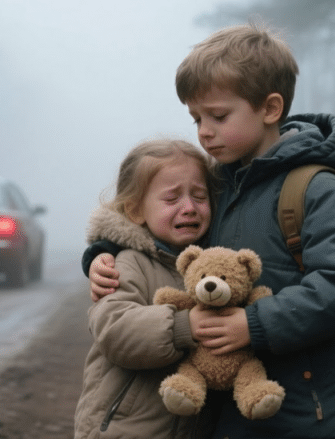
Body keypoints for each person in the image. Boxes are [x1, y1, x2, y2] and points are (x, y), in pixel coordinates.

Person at [85, 23, 335, 439]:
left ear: (270, 109)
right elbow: (169, 234)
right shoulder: (220, 186)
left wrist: (252, 324)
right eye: (196, 117)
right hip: (229, 413)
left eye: (218, 116)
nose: (203, 130)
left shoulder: (315, 188)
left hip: (310, 407)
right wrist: (101, 254)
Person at [73, 138, 219, 439]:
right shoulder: (126, 263)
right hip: (124, 429)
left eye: (200, 196)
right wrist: (183, 326)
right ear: (136, 210)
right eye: (172, 199)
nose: (189, 208)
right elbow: (114, 330)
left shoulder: (211, 265)